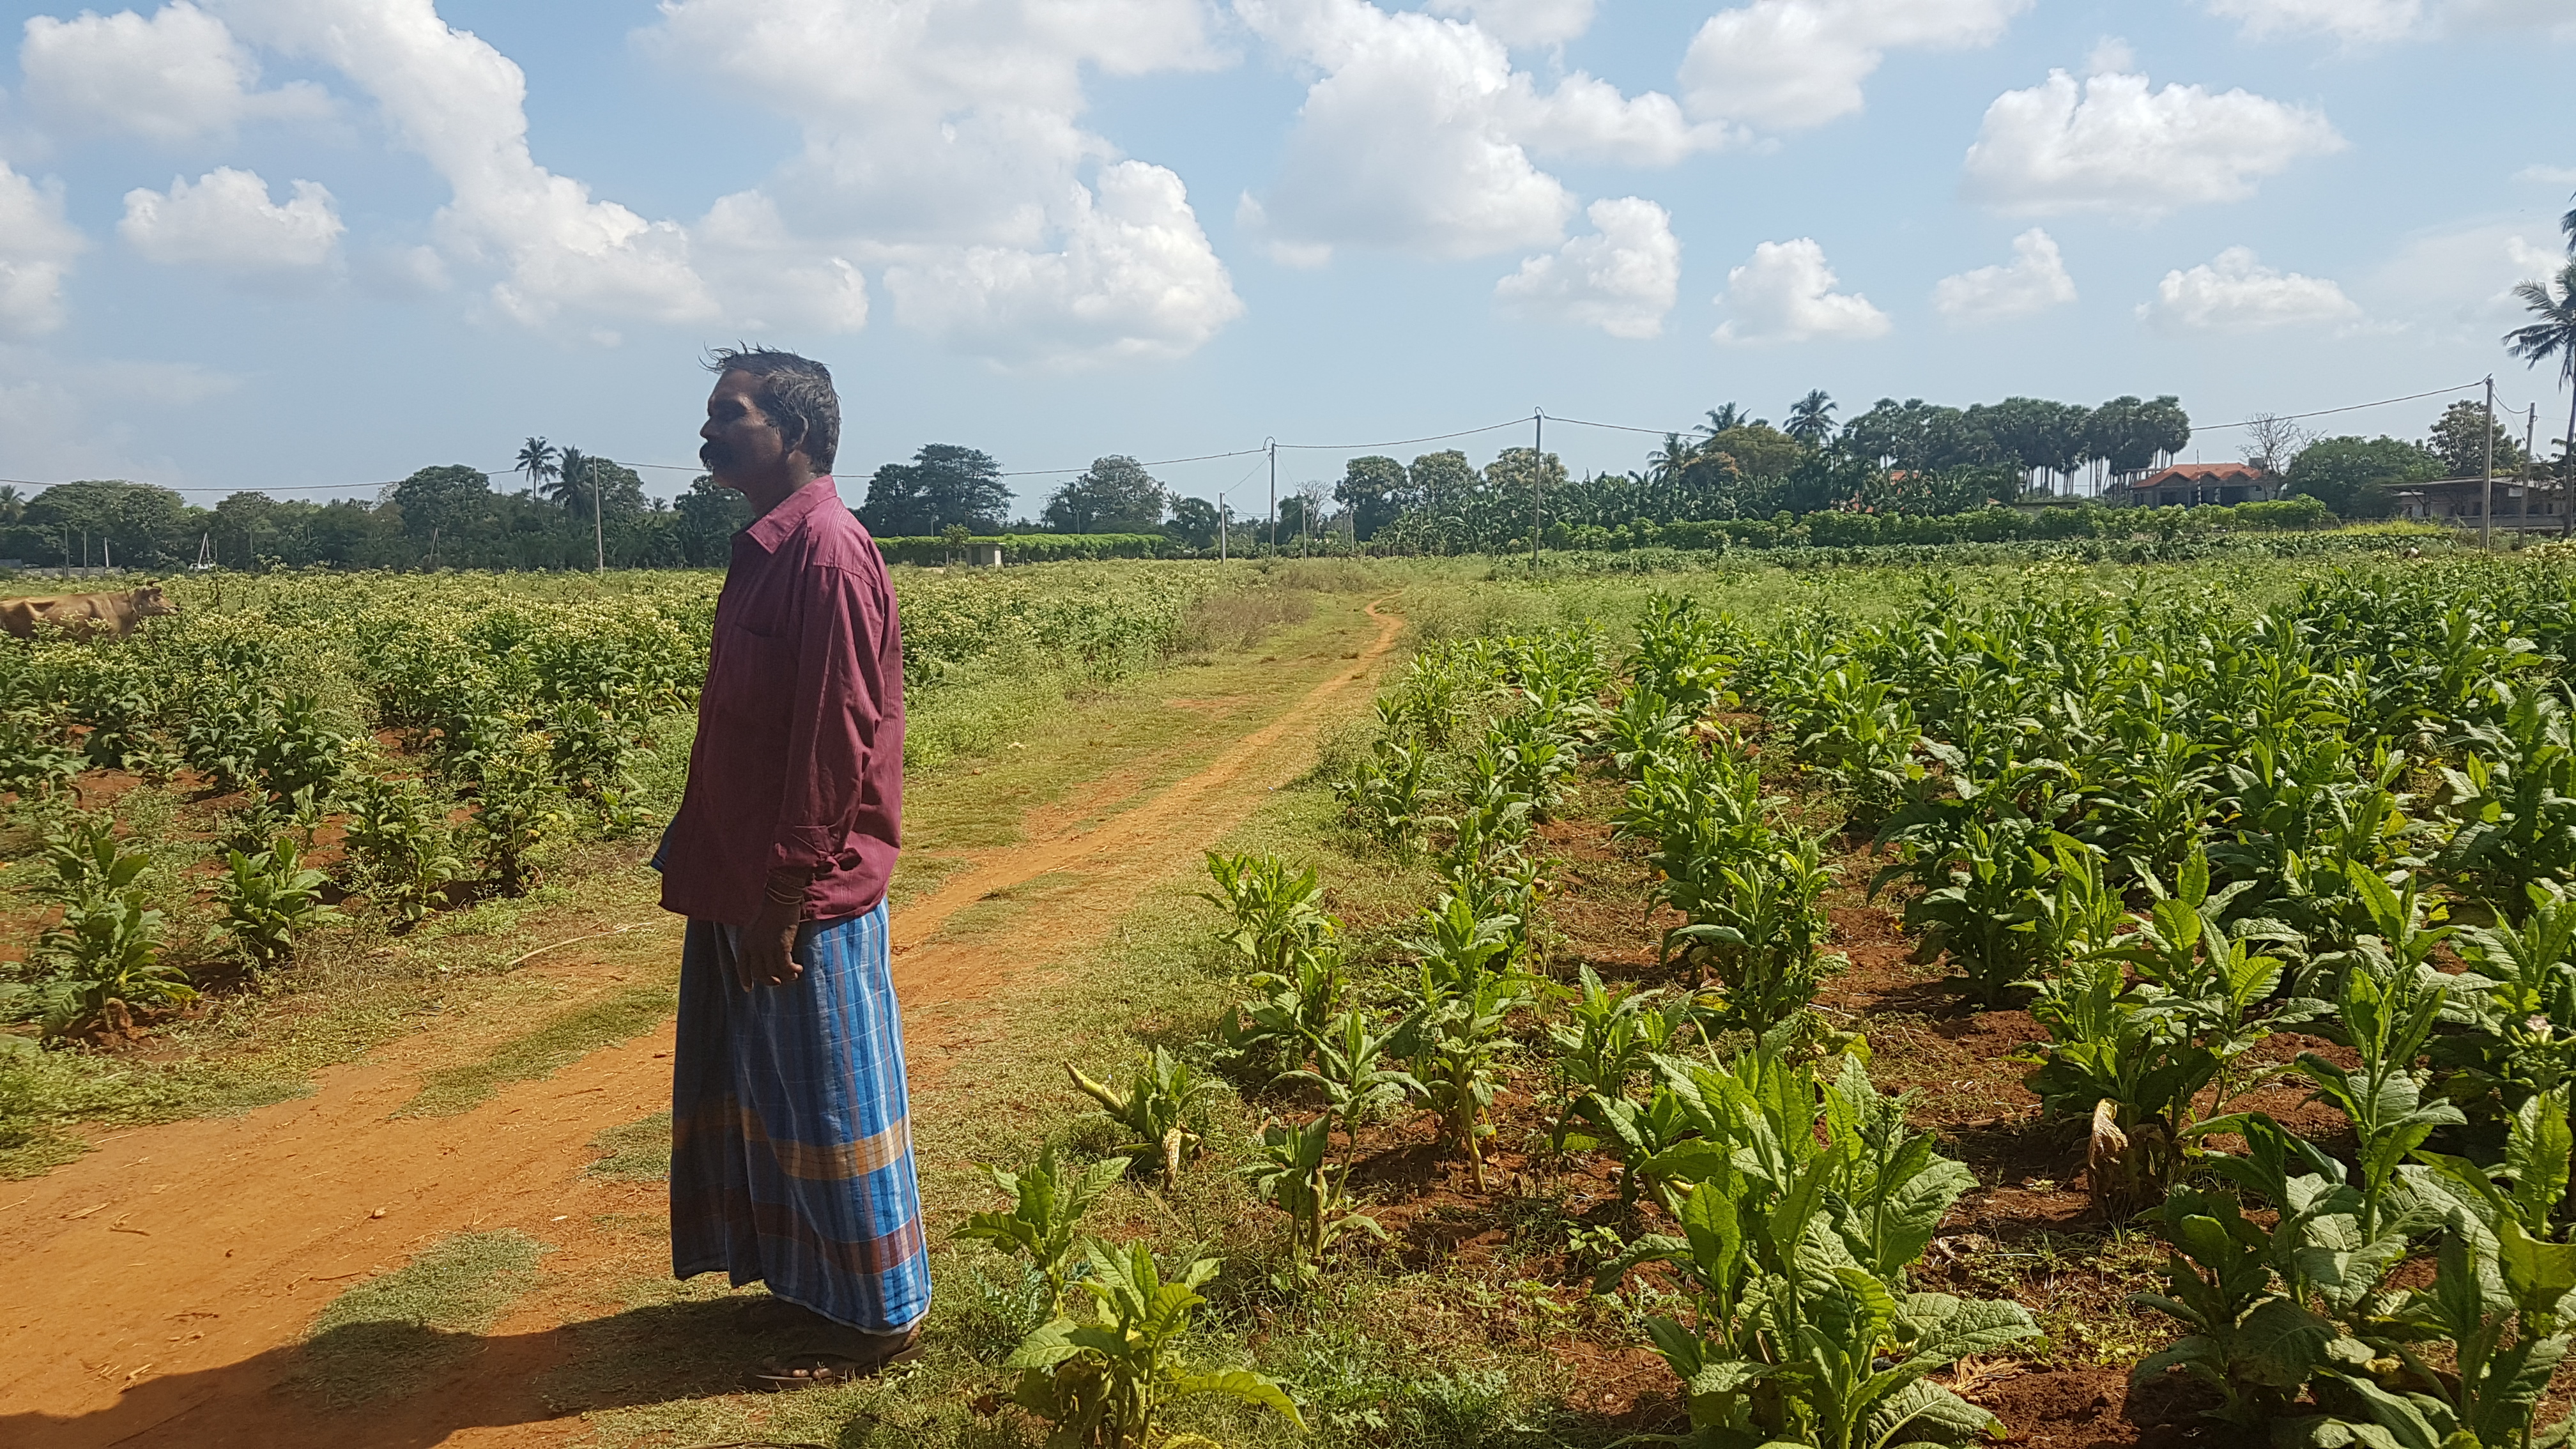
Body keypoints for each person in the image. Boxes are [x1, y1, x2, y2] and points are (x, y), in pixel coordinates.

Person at [655, 346, 927, 1389]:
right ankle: (809, 1285)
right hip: (743, 876)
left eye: (732, 415)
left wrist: (785, 892)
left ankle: (874, 1320)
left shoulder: (826, 552)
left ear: (796, 434)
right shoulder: (768, 549)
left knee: (829, 1100)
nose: (710, 432)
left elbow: (835, 737)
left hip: (796, 891)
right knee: (766, 1091)